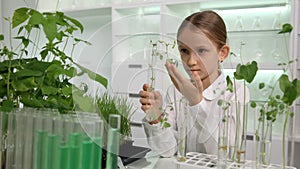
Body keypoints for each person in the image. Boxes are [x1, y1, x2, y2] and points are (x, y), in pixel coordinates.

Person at [139, 10, 249, 157]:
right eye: (184, 51)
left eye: (201, 50)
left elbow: (225, 156)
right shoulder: (175, 91)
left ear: (222, 53)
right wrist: (156, 118)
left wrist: (196, 102)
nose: (191, 61)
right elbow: (167, 151)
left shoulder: (236, 93)